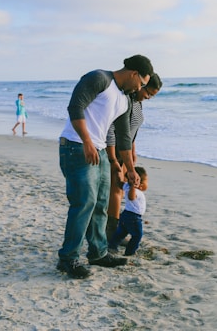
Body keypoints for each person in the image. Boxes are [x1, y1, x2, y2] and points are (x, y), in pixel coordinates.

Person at [57, 55, 154, 279]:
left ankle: (98, 253)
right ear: (133, 74)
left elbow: (123, 138)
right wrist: (87, 142)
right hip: (75, 146)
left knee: (100, 203)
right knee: (84, 203)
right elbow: (75, 107)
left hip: (98, 150)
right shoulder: (99, 78)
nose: (140, 88)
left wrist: (130, 169)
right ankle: (68, 258)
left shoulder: (125, 99)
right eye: (141, 84)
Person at [105, 73, 162, 241]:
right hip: (116, 150)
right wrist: (113, 157)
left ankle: (116, 231)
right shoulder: (126, 100)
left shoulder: (138, 104)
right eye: (149, 93)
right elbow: (114, 130)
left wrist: (133, 151)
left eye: (152, 95)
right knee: (116, 190)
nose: (149, 97)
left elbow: (132, 132)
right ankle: (111, 232)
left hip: (127, 151)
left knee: (121, 191)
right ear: (141, 84)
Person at [108, 166, 148, 256]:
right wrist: (133, 187)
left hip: (126, 215)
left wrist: (117, 173)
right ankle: (130, 252)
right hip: (133, 217)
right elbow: (131, 197)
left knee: (121, 233)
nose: (147, 185)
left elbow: (119, 183)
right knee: (137, 235)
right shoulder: (134, 191)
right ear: (139, 183)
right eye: (146, 182)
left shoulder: (126, 186)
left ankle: (112, 246)